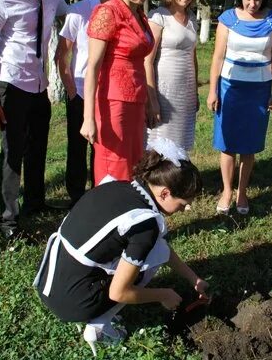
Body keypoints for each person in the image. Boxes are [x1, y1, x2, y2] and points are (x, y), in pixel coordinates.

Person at [34, 138, 208, 355]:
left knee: (149, 251)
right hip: (71, 301)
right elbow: (119, 292)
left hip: (51, 281)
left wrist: (194, 278)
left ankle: (93, 306)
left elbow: (159, 247)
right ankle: (99, 327)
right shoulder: (145, 224)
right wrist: (164, 295)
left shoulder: (121, 187)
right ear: (164, 193)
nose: (187, 209)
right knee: (136, 273)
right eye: (184, 203)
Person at [0, 0, 68, 239]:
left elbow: (71, 13)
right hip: (10, 85)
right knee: (12, 152)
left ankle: (35, 202)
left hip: (38, 85)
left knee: (37, 147)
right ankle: (7, 221)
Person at [206, 0, 272, 215]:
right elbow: (218, 56)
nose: (253, 4)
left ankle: (242, 192)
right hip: (230, 87)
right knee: (227, 143)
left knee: (249, 146)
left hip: (258, 90)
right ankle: (227, 190)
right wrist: (212, 91)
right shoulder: (228, 19)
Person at [79, 0, 159, 184]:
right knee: (114, 166)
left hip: (135, 101)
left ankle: (129, 217)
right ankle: (109, 216)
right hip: (112, 104)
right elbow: (92, 67)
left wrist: (148, 100)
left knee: (134, 164)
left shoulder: (138, 14)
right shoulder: (107, 12)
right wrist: (88, 118)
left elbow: (142, 60)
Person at [55, 0, 109, 207]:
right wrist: (70, 89)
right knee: (77, 145)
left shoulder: (121, 10)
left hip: (106, 92)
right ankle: (76, 194)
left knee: (102, 145)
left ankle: (100, 190)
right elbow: (62, 55)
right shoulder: (79, 11)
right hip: (79, 89)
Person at [144, 0, 199, 152]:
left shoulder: (193, 19)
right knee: (160, 145)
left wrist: (195, 93)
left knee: (181, 145)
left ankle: (177, 180)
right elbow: (147, 61)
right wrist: (152, 101)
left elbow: (193, 56)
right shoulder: (159, 16)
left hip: (186, 93)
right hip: (163, 92)